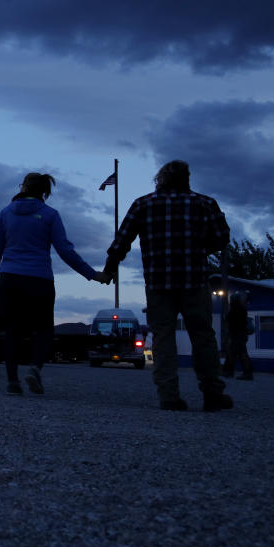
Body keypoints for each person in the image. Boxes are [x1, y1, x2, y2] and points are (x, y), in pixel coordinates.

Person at [104, 160, 233, 412]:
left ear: (160, 179)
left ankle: (169, 396)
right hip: (194, 280)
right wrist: (199, 249)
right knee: (203, 336)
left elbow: (122, 240)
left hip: (158, 282)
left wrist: (110, 267)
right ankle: (212, 394)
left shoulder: (143, 204)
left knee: (163, 338)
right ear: (187, 178)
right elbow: (222, 237)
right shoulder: (205, 203)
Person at [0, 172, 111, 396]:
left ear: (23, 187)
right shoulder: (50, 215)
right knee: (43, 329)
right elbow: (65, 251)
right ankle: (35, 368)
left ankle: (12, 382)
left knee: (12, 331)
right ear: (45, 192)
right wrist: (92, 274)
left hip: (9, 278)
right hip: (39, 279)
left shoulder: (5, 213)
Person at [222, 292, 254, 380]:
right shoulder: (241, 309)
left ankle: (246, 373)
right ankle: (229, 371)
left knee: (241, 354)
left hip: (237, 335)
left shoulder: (235, 309)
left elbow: (229, 320)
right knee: (233, 353)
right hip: (240, 335)